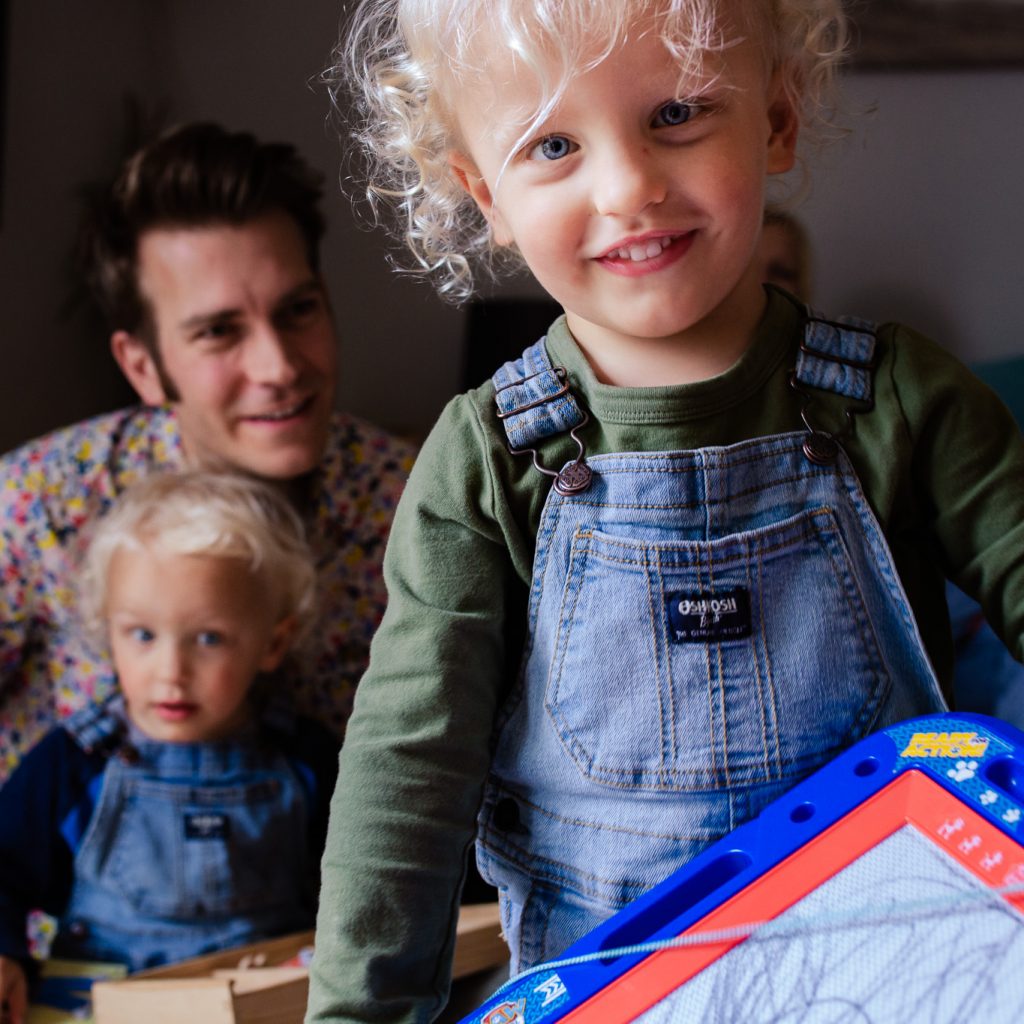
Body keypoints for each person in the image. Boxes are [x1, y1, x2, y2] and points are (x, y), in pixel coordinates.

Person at [307, 0, 1024, 1020]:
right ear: (486, 194)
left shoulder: (902, 401)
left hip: (900, 983)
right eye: (552, 144)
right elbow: (406, 781)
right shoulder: (483, 463)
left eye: (677, 112)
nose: (630, 187)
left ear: (775, 119)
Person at [0, 122, 415, 782]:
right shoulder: (37, 503)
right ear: (142, 366)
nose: (278, 366)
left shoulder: (416, 507)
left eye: (297, 310)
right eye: (219, 332)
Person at [0, 471, 339, 1024]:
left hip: (258, 995)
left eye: (208, 639)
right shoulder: (76, 760)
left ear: (272, 643)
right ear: (106, 629)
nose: (171, 674)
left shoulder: (304, 758)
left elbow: (363, 877)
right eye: (141, 635)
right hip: (102, 1000)